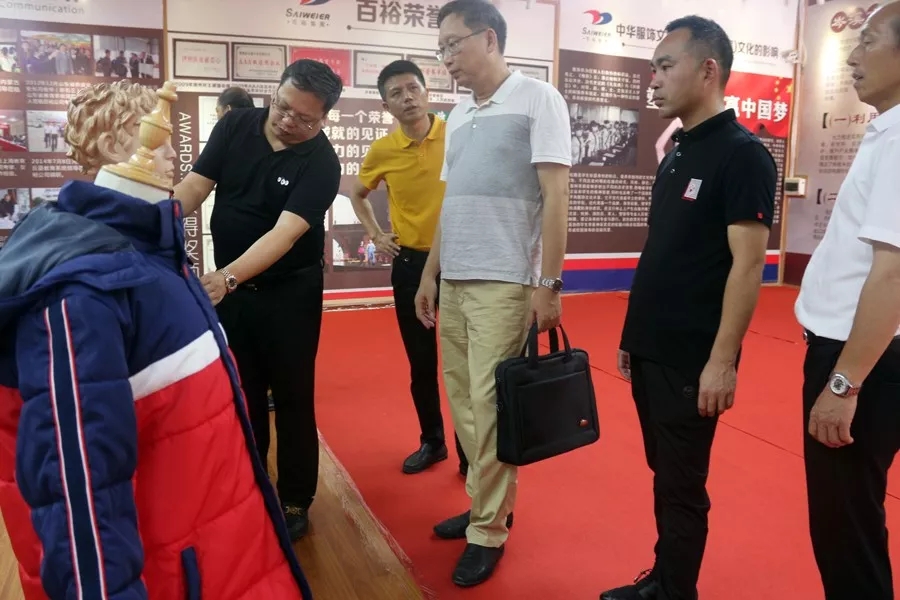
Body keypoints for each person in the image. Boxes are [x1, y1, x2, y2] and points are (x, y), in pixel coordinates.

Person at [0, 80, 312, 600]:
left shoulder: (146, 251)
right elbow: (79, 492)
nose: (172, 153)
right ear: (109, 144)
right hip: (171, 566)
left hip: (211, 535)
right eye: (155, 136)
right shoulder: (83, 287)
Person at [608, 16, 776, 600]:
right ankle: (664, 577)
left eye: (664, 66)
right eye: (652, 67)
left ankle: (676, 589)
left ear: (708, 70)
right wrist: (633, 337)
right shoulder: (679, 151)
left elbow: (748, 266)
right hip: (652, 346)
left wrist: (722, 361)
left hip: (693, 357)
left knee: (681, 484)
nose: (653, 80)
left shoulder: (742, 155)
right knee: (664, 473)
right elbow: (663, 252)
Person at [414, 0, 571, 587]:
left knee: (490, 406)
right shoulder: (457, 116)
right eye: (441, 49)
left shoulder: (538, 99)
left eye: (453, 44)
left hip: (504, 281)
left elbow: (556, 196)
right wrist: (430, 273)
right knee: (463, 401)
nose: (447, 58)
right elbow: (452, 203)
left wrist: (548, 283)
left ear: (488, 38)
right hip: (454, 279)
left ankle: (488, 531)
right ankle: (487, 503)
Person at [173, 59, 343, 540]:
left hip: (289, 293)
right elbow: (196, 184)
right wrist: (158, 218)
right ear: (276, 91)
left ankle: (294, 500)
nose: (287, 120)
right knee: (241, 391)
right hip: (233, 291)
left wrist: (226, 277)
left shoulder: (321, 162)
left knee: (292, 396)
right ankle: (248, 483)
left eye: (304, 118)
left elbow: (284, 234)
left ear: (323, 118)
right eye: (282, 106)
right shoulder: (236, 126)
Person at [795, 3, 900, 599]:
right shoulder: (887, 132)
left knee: (845, 525)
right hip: (864, 352)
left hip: (861, 358)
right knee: (850, 518)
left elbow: (893, 275)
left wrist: (843, 384)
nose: (853, 57)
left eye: (870, 42)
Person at [350, 59, 468, 477]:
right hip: (410, 264)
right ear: (386, 106)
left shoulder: (457, 134)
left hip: (460, 261)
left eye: (413, 88)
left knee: (464, 364)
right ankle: (433, 441)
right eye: (396, 94)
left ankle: (470, 451)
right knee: (421, 363)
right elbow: (357, 193)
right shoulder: (383, 150)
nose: (408, 98)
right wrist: (376, 234)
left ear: (427, 91)